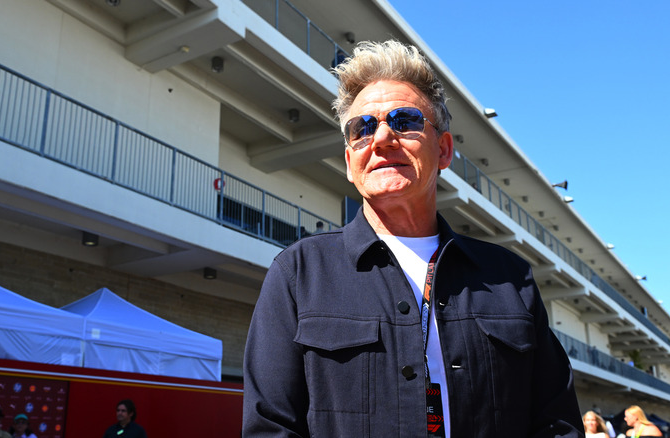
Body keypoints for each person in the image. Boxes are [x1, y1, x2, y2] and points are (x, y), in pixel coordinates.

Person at [242, 39, 584, 437]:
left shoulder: (510, 278)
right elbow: (270, 427)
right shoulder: (298, 274)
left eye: (404, 121)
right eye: (363, 128)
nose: (383, 138)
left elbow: (557, 423)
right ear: (351, 162)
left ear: (443, 149)